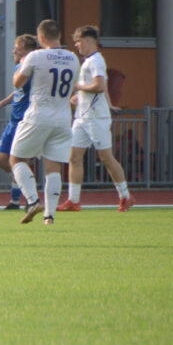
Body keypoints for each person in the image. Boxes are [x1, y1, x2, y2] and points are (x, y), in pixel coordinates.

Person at [8, 19, 81, 225]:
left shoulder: (35, 56)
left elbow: (18, 83)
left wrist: (22, 65)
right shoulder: (73, 58)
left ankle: (32, 201)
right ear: (59, 35)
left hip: (39, 114)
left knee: (16, 159)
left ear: (40, 38)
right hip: (63, 117)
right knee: (53, 166)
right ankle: (49, 216)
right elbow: (73, 86)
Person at [58, 25, 134, 212]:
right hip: (82, 117)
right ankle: (73, 201)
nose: (76, 45)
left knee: (106, 158)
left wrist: (78, 86)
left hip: (96, 118)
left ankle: (125, 196)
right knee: (74, 157)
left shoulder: (97, 60)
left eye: (78, 41)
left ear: (88, 40)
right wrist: (81, 97)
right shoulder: (88, 61)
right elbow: (103, 88)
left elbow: (99, 86)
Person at [0, 34, 39, 210]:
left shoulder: (32, 69)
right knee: (1, 159)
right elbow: (18, 91)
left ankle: (19, 200)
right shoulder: (19, 67)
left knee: (18, 161)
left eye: (17, 47)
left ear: (26, 51)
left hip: (25, 121)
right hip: (13, 121)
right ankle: (26, 184)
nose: (13, 51)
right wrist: (1, 103)